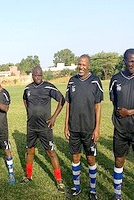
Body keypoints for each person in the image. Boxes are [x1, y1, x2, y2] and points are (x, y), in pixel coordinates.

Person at [20, 66, 66, 192]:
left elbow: (62, 99)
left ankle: (59, 180)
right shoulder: (27, 88)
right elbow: (24, 99)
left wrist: (54, 118)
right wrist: (29, 112)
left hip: (45, 127)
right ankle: (28, 176)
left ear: (42, 75)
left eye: (40, 75)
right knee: (30, 151)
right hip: (31, 127)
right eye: (36, 75)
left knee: (51, 152)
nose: (38, 78)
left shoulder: (48, 87)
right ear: (32, 75)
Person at [64, 54, 103, 200]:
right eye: (79, 64)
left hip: (89, 129)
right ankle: (76, 187)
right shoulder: (71, 81)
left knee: (90, 158)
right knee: (75, 157)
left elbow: (98, 106)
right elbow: (68, 104)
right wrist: (66, 125)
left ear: (89, 66)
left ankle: (93, 190)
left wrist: (97, 128)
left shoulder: (95, 81)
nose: (81, 67)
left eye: (84, 65)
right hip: (74, 127)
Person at [109, 48, 134, 200]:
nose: (133, 63)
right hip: (120, 129)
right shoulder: (116, 79)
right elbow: (113, 100)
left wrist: (129, 112)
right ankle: (117, 195)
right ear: (124, 61)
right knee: (119, 159)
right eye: (131, 60)